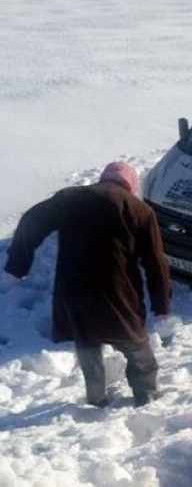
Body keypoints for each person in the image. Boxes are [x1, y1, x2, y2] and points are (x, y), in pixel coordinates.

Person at [3, 161, 172, 407]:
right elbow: (156, 262)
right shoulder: (139, 210)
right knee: (137, 348)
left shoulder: (70, 198)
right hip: (118, 295)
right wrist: (161, 303)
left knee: (88, 344)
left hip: (74, 293)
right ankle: (146, 395)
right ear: (130, 185)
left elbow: (32, 220)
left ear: (102, 179)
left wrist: (17, 264)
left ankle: (96, 399)